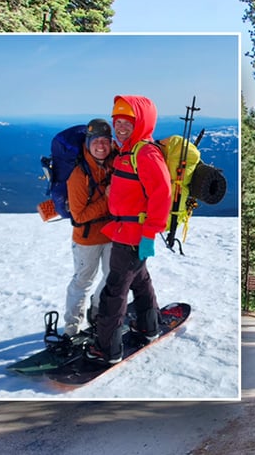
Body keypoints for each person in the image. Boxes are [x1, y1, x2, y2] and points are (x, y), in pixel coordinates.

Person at [87, 95, 171, 364]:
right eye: (117, 122)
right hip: (125, 231)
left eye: (128, 122)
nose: (121, 127)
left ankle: (107, 349)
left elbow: (162, 194)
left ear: (141, 123)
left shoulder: (145, 153)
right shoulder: (127, 151)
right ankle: (149, 326)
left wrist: (149, 234)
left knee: (114, 291)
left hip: (133, 235)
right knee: (139, 279)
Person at [63, 118, 116, 336]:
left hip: (112, 234)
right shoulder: (79, 175)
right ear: (87, 143)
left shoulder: (115, 163)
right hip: (87, 239)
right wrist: (107, 199)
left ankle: (97, 311)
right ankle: (72, 328)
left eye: (105, 140)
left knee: (112, 276)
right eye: (96, 141)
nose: (101, 145)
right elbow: (79, 215)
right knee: (83, 281)